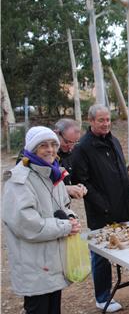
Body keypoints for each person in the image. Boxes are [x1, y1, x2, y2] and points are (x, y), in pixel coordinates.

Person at [2, 126, 81, 314]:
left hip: (52, 259)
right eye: (43, 145)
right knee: (38, 308)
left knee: (54, 308)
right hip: (33, 264)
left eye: (53, 144)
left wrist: (71, 218)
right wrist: (65, 226)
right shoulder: (19, 179)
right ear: (32, 148)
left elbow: (63, 206)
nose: (50, 150)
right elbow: (26, 225)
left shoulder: (52, 173)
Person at [71, 104, 129, 312]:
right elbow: (82, 181)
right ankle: (102, 297)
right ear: (91, 121)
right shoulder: (82, 147)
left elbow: (122, 171)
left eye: (108, 119)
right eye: (101, 120)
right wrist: (104, 205)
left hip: (125, 206)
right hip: (102, 211)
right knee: (101, 254)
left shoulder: (113, 140)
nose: (106, 123)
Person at [53, 118, 87, 199]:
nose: (71, 147)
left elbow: (73, 179)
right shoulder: (41, 153)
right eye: (67, 142)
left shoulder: (71, 152)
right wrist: (65, 189)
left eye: (75, 142)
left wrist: (79, 187)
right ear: (56, 133)